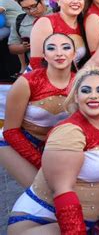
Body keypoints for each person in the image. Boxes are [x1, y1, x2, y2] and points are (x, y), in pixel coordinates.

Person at [7, 66, 99, 234]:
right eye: (86, 90)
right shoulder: (70, 132)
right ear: (76, 97)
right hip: (40, 223)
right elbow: (63, 190)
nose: (94, 95)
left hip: (87, 222)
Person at [0, 33, 76, 187]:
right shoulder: (27, 82)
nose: (59, 53)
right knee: (44, 192)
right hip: (15, 143)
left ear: (74, 54)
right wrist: (42, 163)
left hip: (55, 146)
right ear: (44, 56)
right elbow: (10, 131)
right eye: (51, 48)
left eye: (66, 47)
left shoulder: (81, 82)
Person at [29, 0, 86, 70]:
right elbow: (36, 64)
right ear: (58, 1)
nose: (75, 1)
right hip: (43, 78)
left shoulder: (84, 23)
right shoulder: (45, 22)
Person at [8, 0, 52, 74]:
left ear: (42, 0)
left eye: (33, 6)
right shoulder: (20, 21)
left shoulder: (57, 13)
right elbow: (12, 47)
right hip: (36, 70)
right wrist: (23, 48)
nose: (31, 11)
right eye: (26, 8)